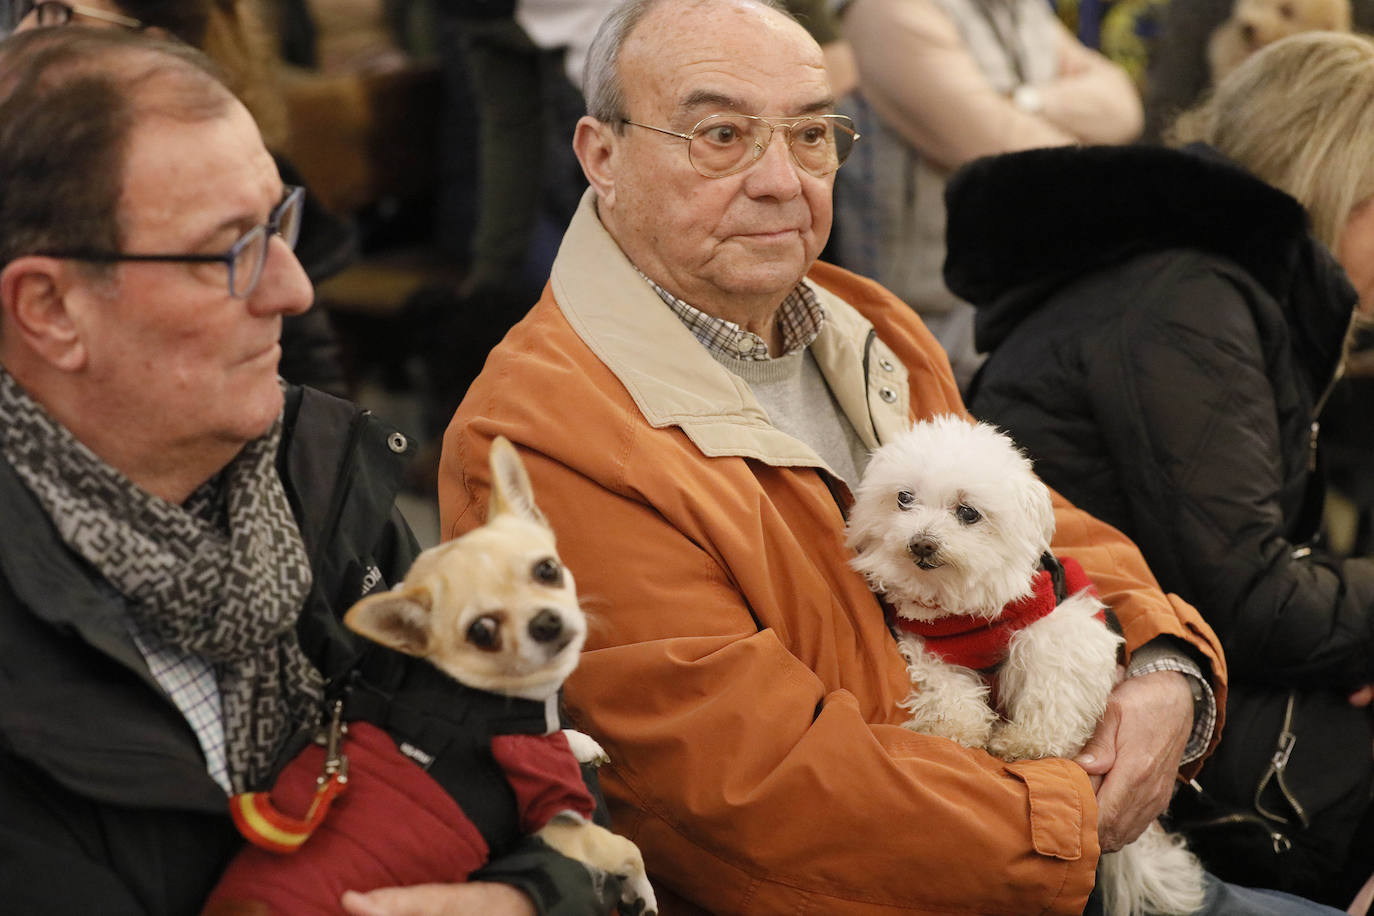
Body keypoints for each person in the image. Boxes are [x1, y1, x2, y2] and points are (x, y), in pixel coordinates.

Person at [437, 0, 1345, 911]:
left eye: (812, 134)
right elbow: (748, 793)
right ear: (601, 155)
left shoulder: (865, 321)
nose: (780, 181)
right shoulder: (547, 430)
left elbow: (1042, 530)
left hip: (1044, 846)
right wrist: (1069, 814)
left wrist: (1164, 665)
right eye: (721, 135)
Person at [0, 27, 613, 916]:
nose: (293, 289)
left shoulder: (315, 471)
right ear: (49, 308)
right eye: (230, 251)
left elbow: (523, 752)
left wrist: (531, 900)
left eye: (280, 223)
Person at [947, 30, 1374, 909]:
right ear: (1339, 182)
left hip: (1143, 679)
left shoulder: (1199, 283)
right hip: (1090, 721)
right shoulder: (1189, 299)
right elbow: (1251, 601)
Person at [1, 0, 356, 398]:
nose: (21, 32)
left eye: (57, 14)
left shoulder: (243, 181)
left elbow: (312, 394)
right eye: (26, 8)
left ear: (152, 46)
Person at [830, 0, 1143, 391]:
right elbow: (994, 145)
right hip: (923, 319)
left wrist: (1026, 100)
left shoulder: (1021, 8)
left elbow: (1124, 107)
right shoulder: (890, 9)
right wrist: (1068, 123)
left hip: (1027, 291)